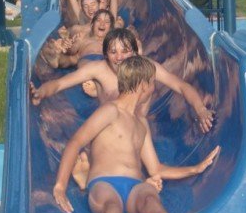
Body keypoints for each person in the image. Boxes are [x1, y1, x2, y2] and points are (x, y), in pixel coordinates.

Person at [53, 55, 220, 213]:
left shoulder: (141, 123)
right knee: (111, 208)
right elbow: (76, 142)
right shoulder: (109, 111)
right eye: (152, 83)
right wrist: (60, 186)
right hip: (104, 183)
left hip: (134, 187)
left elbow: (155, 168)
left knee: (150, 198)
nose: (153, 89)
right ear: (143, 85)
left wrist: (194, 169)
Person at [32, 28, 215, 189]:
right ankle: (91, 174)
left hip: (137, 128)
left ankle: (93, 178)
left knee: (146, 165)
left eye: (125, 51)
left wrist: (201, 110)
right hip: (108, 130)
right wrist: (41, 92)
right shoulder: (98, 69)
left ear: (135, 52)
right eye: (113, 52)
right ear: (105, 54)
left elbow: (181, 86)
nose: (119, 57)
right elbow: (59, 84)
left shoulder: (147, 68)